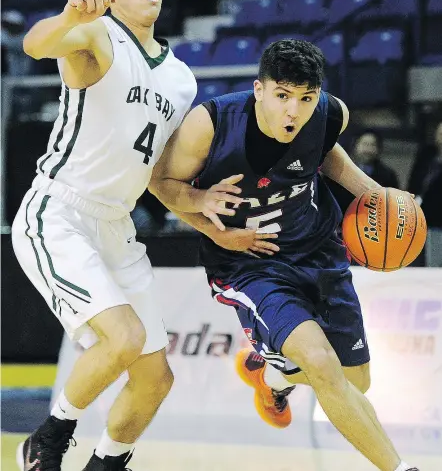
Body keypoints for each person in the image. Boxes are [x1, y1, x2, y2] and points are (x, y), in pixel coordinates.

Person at [149, 39, 420, 471]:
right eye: (282, 96)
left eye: (306, 99)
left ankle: (270, 374)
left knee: (355, 382)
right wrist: (205, 214)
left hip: (317, 248)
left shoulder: (331, 114)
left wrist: (378, 195)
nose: (293, 112)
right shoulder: (211, 124)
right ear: (259, 89)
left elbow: (326, 154)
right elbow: (160, 183)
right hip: (249, 262)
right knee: (319, 362)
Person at [12, 0, 210, 471]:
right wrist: (67, 14)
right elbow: (34, 43)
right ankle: (47, 439)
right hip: (60, 214)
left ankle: (106, 463)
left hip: (117, 226)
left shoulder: (181, 79)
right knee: (122, 337)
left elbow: (159, 180)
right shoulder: (96, 34)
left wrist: (213, 219)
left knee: (155, 378)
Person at [325, 129, 400, 216]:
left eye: (372, 145)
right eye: (365, 144)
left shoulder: (388, 175)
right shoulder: (336, 169)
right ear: (355, 145)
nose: (368, 149)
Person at [407, 120, 442, 267]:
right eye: (440, 133)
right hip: (419, 216)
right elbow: (414, 180)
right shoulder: (426, 155)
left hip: (437, 220)